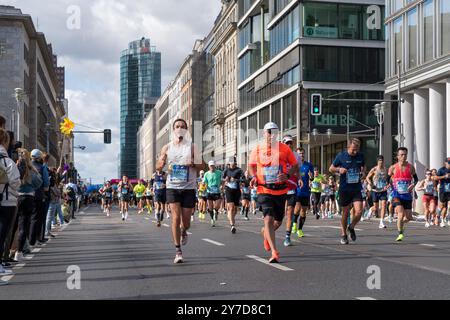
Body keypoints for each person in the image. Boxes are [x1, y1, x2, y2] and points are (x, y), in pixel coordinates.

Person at [249, 122, 298, 263]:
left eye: (274, 132)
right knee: (268, 219)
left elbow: (295, 165)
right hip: (264, 189)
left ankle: (266, 235)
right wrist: (253, 177)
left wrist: (287, 175)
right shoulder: (257, 149)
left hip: (281, 189)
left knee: (277, 222)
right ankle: (275, 252)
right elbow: (251, 166)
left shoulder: (284, 149)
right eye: (269, 132)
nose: (272, 135)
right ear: (264, 133)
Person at [156, 119, 202, 264]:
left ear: (186, 129)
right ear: (173, 129)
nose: (180, 128)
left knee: (186, 222)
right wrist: (162, 163)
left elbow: (203, 167)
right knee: (176, 218)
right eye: (177, 126)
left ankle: (184, 231)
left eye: (182, 126)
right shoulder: (167, 147)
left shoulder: (193, 147)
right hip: (172, 186)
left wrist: (193, 163)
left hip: (188, 187)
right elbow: (158, 167)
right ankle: (178, 251)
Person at [329, 138, 366, 245]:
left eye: (357, 149)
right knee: (345, 212)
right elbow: (331, 168)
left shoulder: (360, 156)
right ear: (348, 147)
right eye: (353, 149)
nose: (355, 152)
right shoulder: (341, 156)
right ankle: (343, 234)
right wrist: (338, 170)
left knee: (359, 211)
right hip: (345, 189)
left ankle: (351, 227)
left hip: (356, 188)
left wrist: (363, 173)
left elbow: (363, 166)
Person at [14, 149, 42, 262]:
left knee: (14, 226)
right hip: (28, 197)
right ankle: (19, 251)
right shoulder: (31, 171)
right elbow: (39, 183)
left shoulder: (16, 168)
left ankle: (10, 251)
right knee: (23, 226)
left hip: (16, 197)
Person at [0, 129, 21, 281]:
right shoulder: (7, 161)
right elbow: (15, 182)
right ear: (5, 142)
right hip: (6, 200)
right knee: (2, 233)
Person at [388, 147, 418, 242]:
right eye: (401, 155)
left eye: (405, 154)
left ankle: (400, 224)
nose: (403, 156)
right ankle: (400, 234)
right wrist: (392, 188)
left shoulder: (411, 167)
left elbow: (416, 179)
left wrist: (412, 185)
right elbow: (387, 179)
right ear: (397, 156)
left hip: (407, 195)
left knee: (409, 217)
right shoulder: (393, 167)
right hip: (397, 195)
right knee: (400, 213)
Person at [281, 135, 301, 247]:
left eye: (291, 143)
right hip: (279, 188)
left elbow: (297, 170)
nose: (289, 145)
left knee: (289, 212)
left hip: (291, 187)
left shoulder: (296, 156)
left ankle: (287, 237)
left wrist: (300, 179)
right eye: (287, 143)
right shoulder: (278, 155)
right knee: (279, 216)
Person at [292, 148, 314, 239]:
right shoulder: (294, 165)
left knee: (303, 211)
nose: (301, 155)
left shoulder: (309, 165)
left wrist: (311, 176)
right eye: (299, 154)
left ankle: (300, 229)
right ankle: (294, 223)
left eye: (302, 153)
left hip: (305, 191)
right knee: (297, 209)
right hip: (297, 190)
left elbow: (312, 178)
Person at [30, 149, 50, 245]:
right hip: (38, 195)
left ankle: (27, 241)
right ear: (39, 157)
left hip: (26, 194)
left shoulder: (27, 165)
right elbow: (46, 183)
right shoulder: (42, 168)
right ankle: (35, 240)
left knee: (28, 219)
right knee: (38, 218)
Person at [366, 155, 389, 229]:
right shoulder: (374, 169)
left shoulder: (386, 169)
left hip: (383, 190)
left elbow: (388, 179)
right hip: (375, 190)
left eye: (382, 160)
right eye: (379, 160)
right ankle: (370, 210)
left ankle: (381, 222)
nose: (381, 162)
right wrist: (370, 184)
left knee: (384, 205)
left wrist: (387, 185)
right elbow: (367, 177)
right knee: (375, 208)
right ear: (377, 161)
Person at [223, 158, 244, 234]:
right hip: (229, 189)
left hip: (237, 190)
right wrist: (226, 179)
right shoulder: (226, 170)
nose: (233, 164)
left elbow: (243, 179)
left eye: (234, 162)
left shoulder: (239, 170)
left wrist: (235, 180)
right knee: (231, 208)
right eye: (231, 162)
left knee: (235, 209)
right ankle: (232, 225)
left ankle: (231, 217)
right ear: (229, 163)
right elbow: (222, 178)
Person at [204, 160, 223, 227]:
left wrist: (221, 186)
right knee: (210, 207)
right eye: (211, 166)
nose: (212, 167)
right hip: (209, 191)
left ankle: (216, 211)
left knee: (217, 205)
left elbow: (222, 181)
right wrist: (205, 187)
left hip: (217, 191)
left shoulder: (219, 172)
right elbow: (204, 182)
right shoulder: (206, 174)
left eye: (213, 165)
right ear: (209, 166)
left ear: (215, 166)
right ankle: (212, 219)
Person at [434, 158, 450, 228]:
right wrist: (444, 176)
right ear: (445, 163)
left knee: (447, 206)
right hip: (443, 190)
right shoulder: (441, 169)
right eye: (449, 163)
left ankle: (445, 220)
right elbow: (435, 178)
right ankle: (438, 216)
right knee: (442, 206)